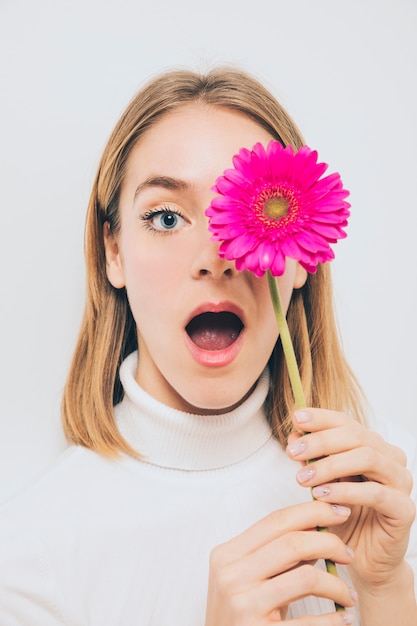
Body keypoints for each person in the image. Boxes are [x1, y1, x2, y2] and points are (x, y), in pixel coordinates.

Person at [0, 67, 416, 625]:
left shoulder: (381, 491)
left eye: (245, 213)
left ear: (301, 263)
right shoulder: (31, 556)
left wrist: (387, 594)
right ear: (113, 253)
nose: (216, 256)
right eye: (167, 218)